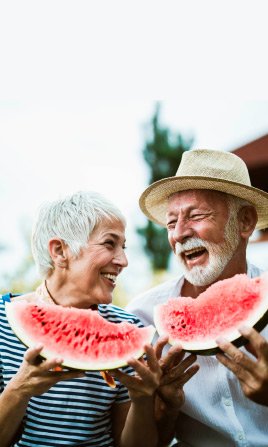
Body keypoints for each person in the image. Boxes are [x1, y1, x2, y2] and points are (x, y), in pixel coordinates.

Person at [0, 190, 176, 447]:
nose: (123, 260)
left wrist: (143, 398)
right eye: (109, 243)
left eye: (123, 247)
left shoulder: (129, 329)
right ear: (60, 251)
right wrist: (19, 390)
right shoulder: (4, 322)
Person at [127, 149, 268, 447]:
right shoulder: (144, 316)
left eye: (197, 215)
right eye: (170, 222)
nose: (178, 234)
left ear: (244, 222)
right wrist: (165, 408)